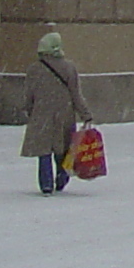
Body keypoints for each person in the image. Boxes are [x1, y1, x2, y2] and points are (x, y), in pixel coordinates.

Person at [22, 31, 90, 195]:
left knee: (43, 151)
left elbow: (28, 94)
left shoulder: (34, 69)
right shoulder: (69, 67)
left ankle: (45, 184)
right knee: (62, 149)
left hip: (41, 115)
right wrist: (86, 114)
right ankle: (61, 178)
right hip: (64, 114)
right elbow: (76, 94)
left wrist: (29, 110)